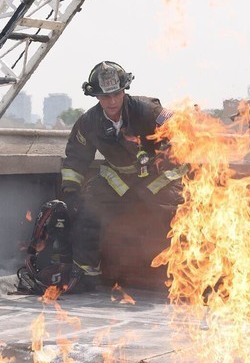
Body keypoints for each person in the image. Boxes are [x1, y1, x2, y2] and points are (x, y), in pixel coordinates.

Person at [60, 61, 187, 292]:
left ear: (124, 91)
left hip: (157, 178)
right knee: (87, 213)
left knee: (174, 215)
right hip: (117, 180)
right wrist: (70, 191)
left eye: (116, 94)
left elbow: (178, 130)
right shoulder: (88, 123)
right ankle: (87, 275)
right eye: (105, 96)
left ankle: (180, 276)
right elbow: (76, 159)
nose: (112, 101)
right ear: (96, 96)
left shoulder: (149, 109)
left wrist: (165, 152)